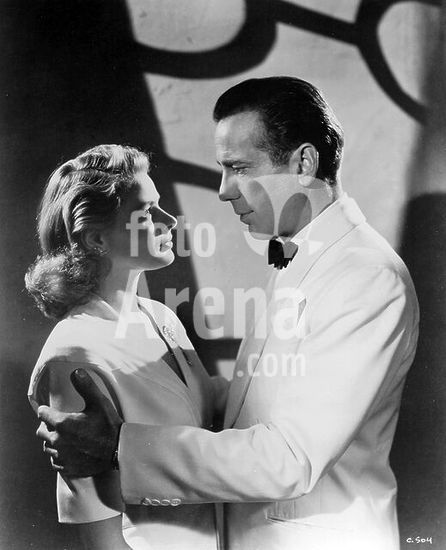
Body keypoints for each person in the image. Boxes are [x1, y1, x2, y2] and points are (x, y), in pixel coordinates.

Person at [36, 78, 419, 550]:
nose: (223, 190)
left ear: (304, 163)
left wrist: (118, 444)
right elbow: (268, 394)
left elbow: (291, 458)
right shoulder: (304, 256)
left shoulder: (364, 275)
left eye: (239, 168)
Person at [26, 144, 227, 550]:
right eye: (148, 212)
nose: (169, 220)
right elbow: (100, 533)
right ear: (97, 238)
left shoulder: (161, 317)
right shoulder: (73, 355)